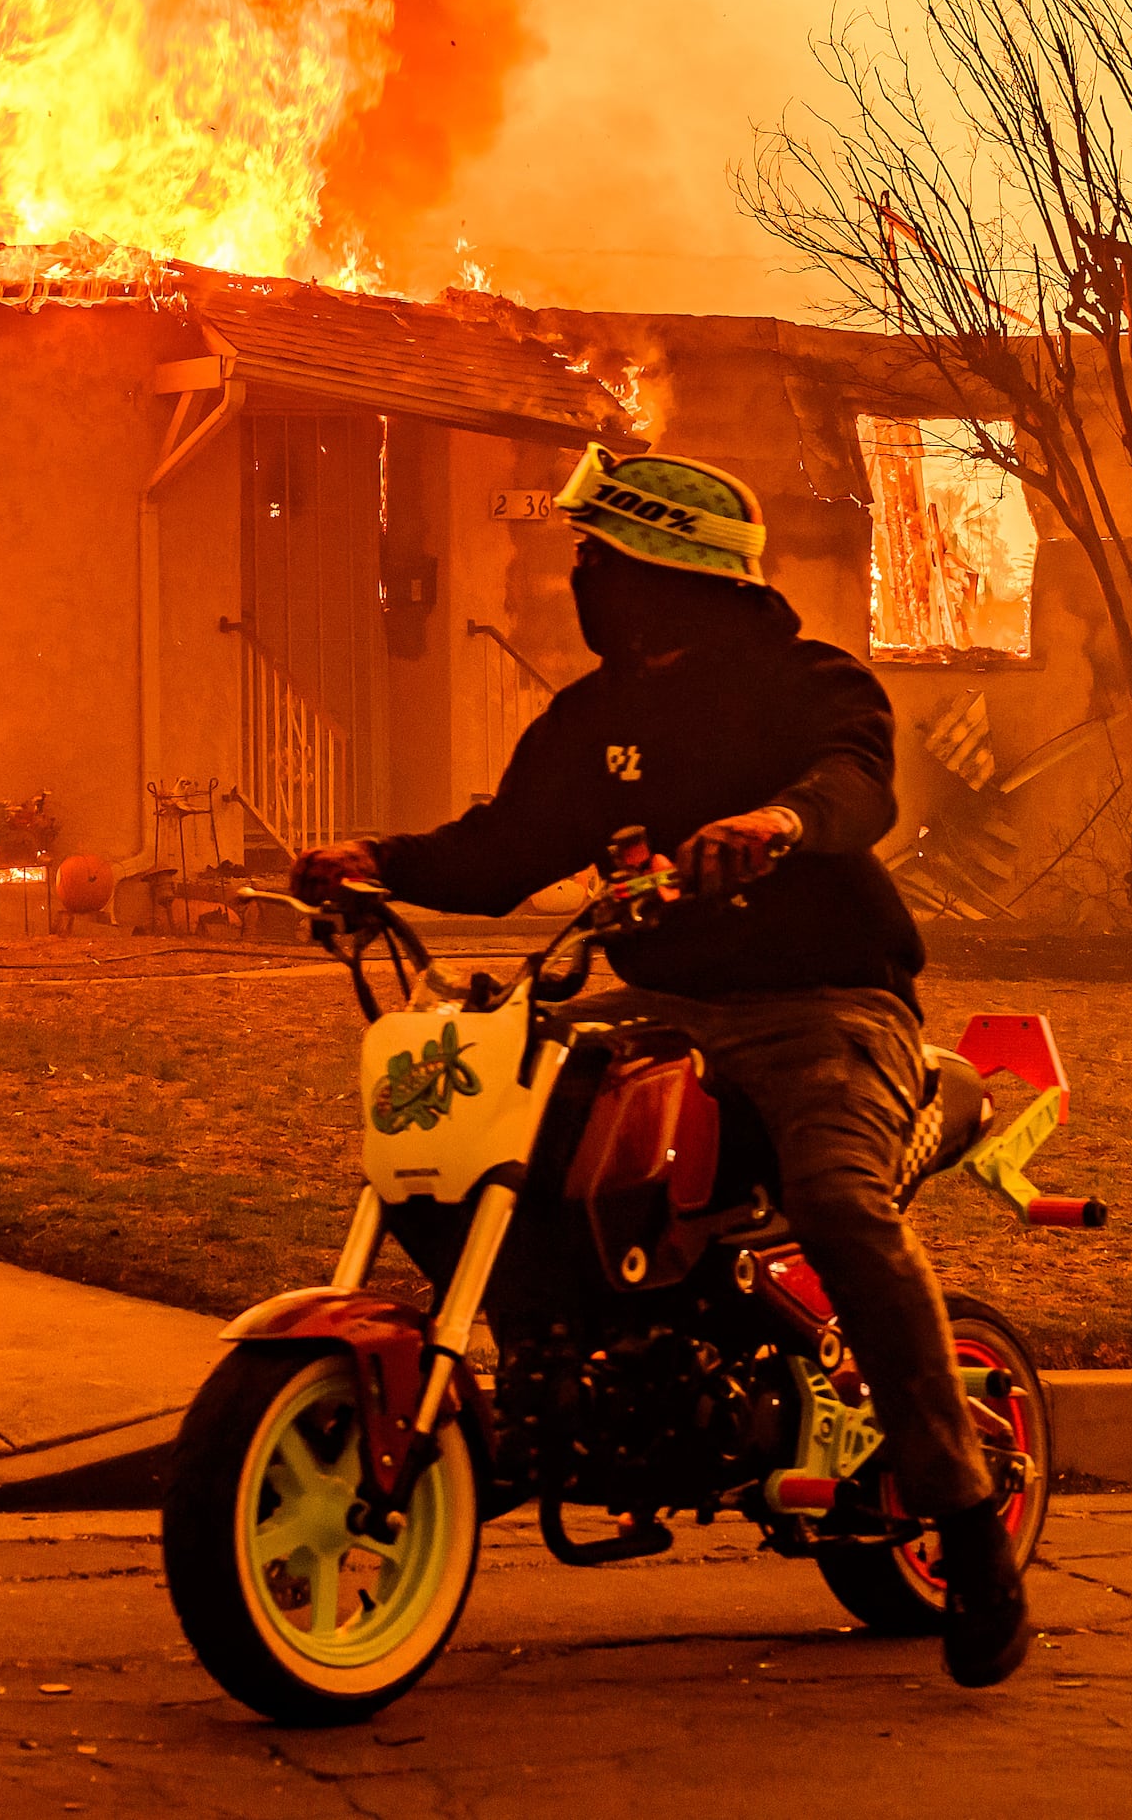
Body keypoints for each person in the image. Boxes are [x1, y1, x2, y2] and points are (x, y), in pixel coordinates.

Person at [292, 441, 1034, 1689]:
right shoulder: (593, 720)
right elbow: (501, 851)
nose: (579, 579)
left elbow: (855, 784)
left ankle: (967, 1523)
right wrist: (374, 856)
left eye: (597, 559)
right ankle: (552, 1382)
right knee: (502, 1125)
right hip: (666, 999)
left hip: (823, 1004)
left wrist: (778, 822)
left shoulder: (809, 683)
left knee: (845, 1206)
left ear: (664, 574)